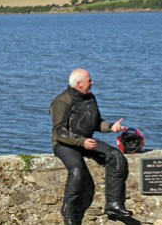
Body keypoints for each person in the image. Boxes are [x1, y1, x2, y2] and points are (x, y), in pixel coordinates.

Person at [49, 68, 132, 225]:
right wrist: (81, 142)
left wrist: (112, 127)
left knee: (116, 156)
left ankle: (114, 205)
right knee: (77, 170)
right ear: (79, 84)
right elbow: (58, 131)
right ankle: (68, 210)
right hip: (64, 145)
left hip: (86, 142)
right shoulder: (62, 101)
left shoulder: (90, 98)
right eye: (89, 80)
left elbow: (97, 123)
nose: (92, 82)